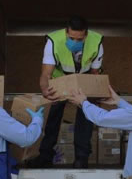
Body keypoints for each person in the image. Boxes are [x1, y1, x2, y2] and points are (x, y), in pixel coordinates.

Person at [30, 15, 104, 168]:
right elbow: (46, 73)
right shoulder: (53, 41)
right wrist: (45, 89)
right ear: (66, 32)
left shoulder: (96, 42)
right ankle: (45, 156)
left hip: (84, 80)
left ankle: (81, 158)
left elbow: (95, 73)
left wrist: (95, 93)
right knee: (53, 116)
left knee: (86, 114)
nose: (75, 42)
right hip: (60, 81)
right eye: (72, 38)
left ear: (86, 35)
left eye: (79, 39)